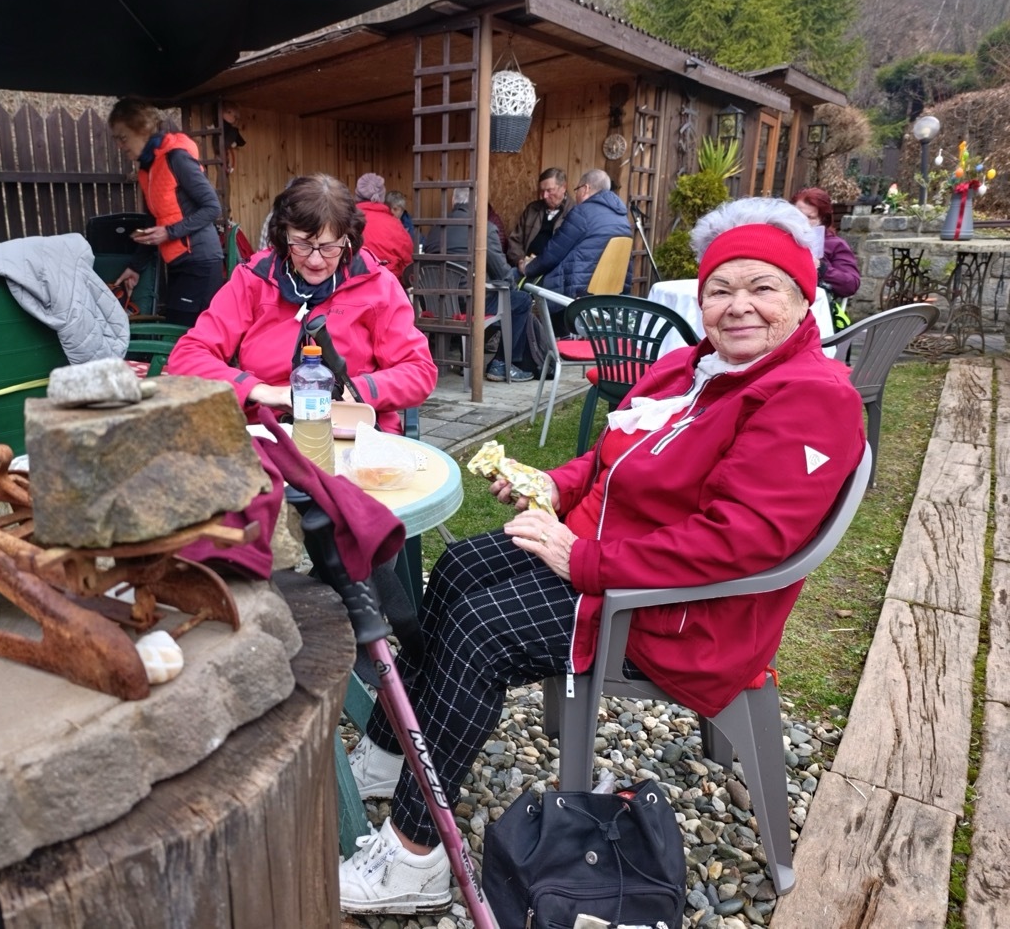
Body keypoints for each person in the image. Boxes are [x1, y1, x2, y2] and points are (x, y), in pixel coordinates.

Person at [337, 197, 866, 916]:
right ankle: (394, 748)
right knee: (457, 571)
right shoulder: (690, 367)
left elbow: (739, 541)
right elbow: (609, 450)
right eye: (720, 289)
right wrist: (553, 486)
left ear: (804, 298)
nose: (738, 306)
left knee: (481, 631)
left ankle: (414, 857)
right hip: (610, 557)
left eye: (762, 287)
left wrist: (582, 559)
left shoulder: (808, 397)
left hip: (676, 613)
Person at [166, 173, 436, 435]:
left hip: (356, 431)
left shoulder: (377, 284)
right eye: (302, 245)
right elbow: (187, 356)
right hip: (269, 430)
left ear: (348, 240)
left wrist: (354, 391)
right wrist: (262, 391)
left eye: (329, 247)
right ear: (283, 236)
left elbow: (419, 371)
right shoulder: (254, 280)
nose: (315, 261)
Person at [108, 98, 224, 327]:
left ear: (142, 129)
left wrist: (169, 232)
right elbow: (154, 223)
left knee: (186, 335)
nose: (120, 146)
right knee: (178, 332)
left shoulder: (176, 158)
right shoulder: (147, 169)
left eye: (123, 138)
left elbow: (212, 207)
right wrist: (135, 267)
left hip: (200, 262)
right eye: (116, 140)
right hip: (179, 263)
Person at [421, 187, 535, 382]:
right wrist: (512, 290)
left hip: (437, 304)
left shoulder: (434, 229)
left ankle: (466, 358)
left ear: (453, 202)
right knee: (521, 300)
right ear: (477, 204)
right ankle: (501, 365)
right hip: (468, 305)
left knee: (486, 296)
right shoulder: (483, 229)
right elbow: (502, 272)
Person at [519, 168, 632, 304]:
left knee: (516, 284)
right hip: (609, 296)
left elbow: (553, 254)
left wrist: (528, 268)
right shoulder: (623, 219)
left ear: (585, 189)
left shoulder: (582, 213)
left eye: (577, 189)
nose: (576, 194)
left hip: (575, 294)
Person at [793, 186, 861, 302]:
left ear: (822, 219)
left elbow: (851, 285)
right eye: (797, 215)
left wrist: (822, 268)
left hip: (814, 304)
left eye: (810, 217)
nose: (802, 221)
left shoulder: (834, 244)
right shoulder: (778, 235)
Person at [505, 167, 573, 267]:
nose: (544, 196)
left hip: (554, 270)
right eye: (542, 191)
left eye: (549, 190)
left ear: (563, 187)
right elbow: (515, 241)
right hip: (525, 266)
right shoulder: (532, 209)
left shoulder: (574, 213)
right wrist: (519, 261)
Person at [355, 172, 415, 283]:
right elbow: (408, 263)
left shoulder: (345, 221)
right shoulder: (395, 225)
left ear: (357, 196)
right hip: (387, 286)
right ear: (382, 197)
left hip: (352, 287)